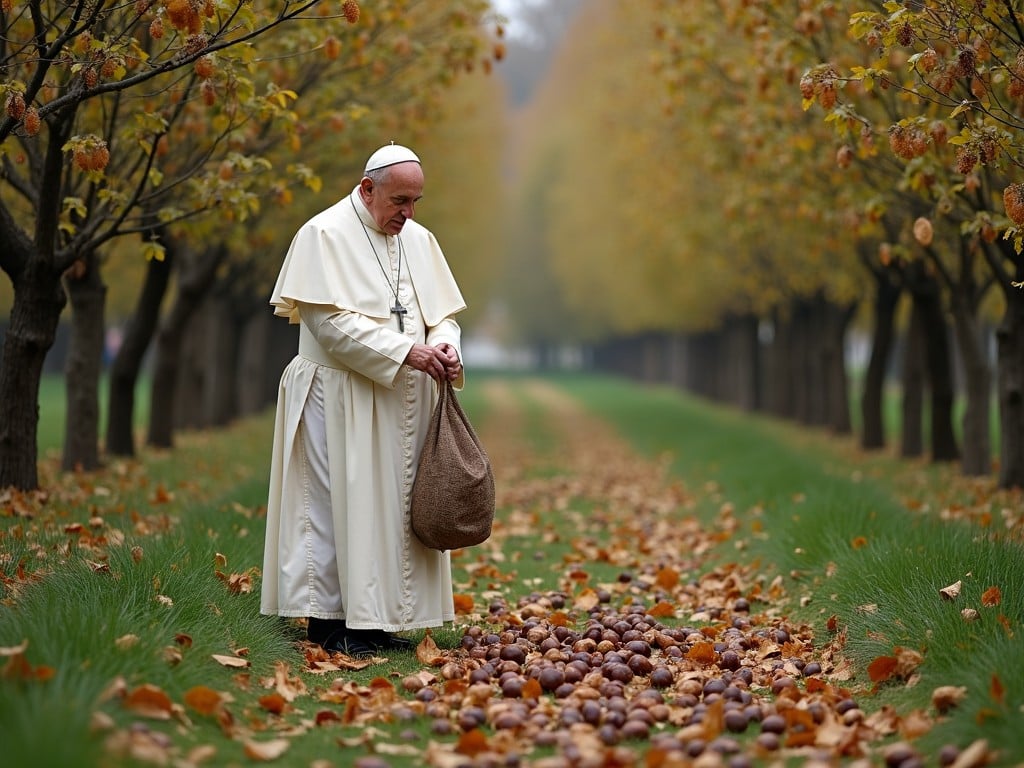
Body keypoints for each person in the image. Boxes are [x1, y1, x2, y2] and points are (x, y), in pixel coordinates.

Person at [260, 143, 466, 657]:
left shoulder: (419, 240)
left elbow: (444, 315)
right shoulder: (322, 234)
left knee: (393, 511)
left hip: (403, 398)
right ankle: (330, 626)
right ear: (367, 188)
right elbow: (328, 324)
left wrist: (445, 347)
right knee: (334, 507)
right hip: (337, 394)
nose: (408, 213)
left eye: (416, 201)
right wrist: (406, 352)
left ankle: (377, 622)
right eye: (399, 200)